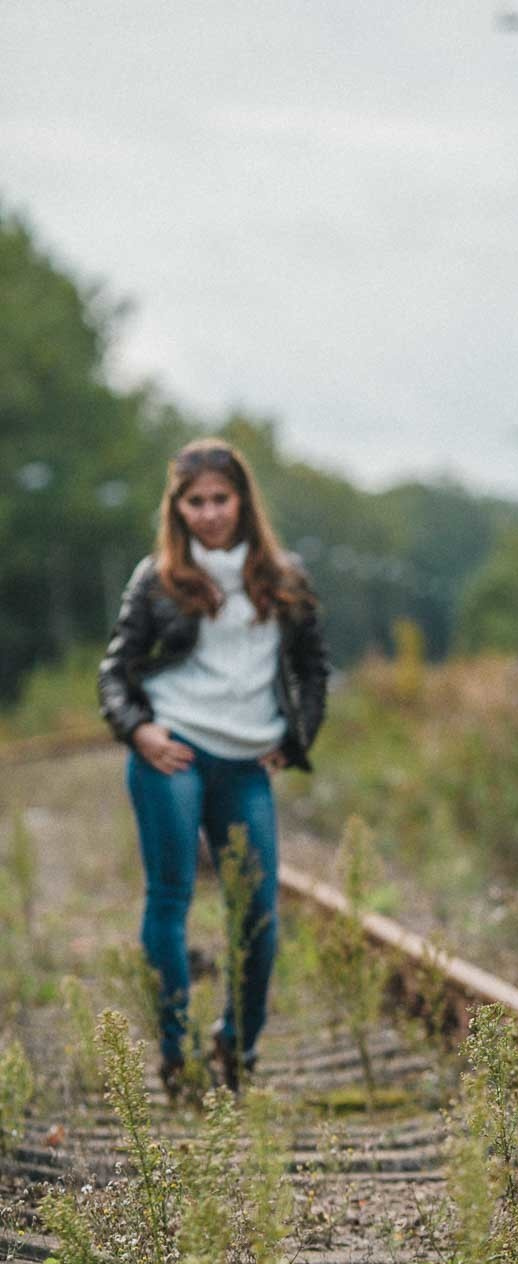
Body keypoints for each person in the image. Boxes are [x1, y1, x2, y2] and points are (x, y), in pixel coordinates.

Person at [98, 438, 329, 1098]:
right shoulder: (157, 578)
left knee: (257, 913)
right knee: (169, 899)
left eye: (219, 499)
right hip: (172, 754)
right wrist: (139, 729)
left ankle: (238, 1044)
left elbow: (314, 670)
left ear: (242, 500)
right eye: (194, 502)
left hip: (245, 763)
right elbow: (116, 671)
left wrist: (295, 737)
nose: (208, 513)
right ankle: (176, 1055)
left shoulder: (284, 575)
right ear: (176, 507)